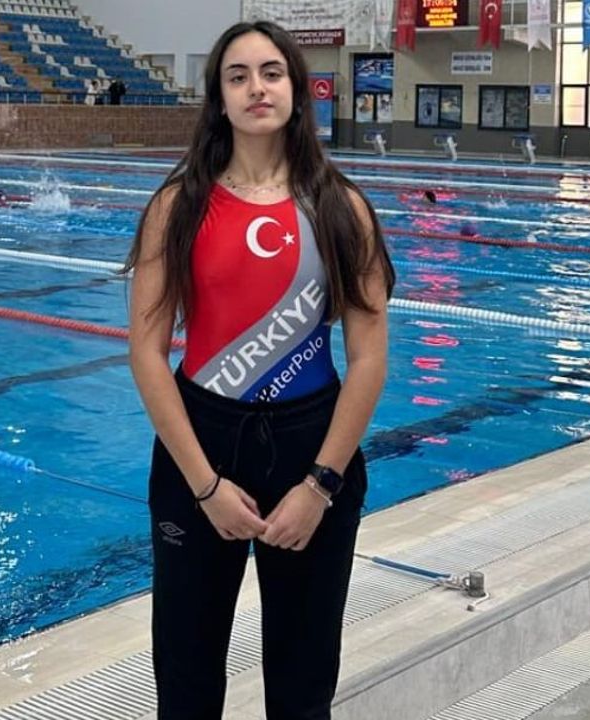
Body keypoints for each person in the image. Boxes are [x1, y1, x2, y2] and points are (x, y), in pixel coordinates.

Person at [122, 20, 394, 720]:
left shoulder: (340, 209)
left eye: (271, 73)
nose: (256, 88)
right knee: (185, 684)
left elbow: (369, 358)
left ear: (297, 90)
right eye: (237, 76)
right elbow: (147, 353)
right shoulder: (178, 206)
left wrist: (320, 485)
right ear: (219, 98)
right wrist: (205, 486)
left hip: (312, 442)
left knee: (303, 689)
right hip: (201, 440)